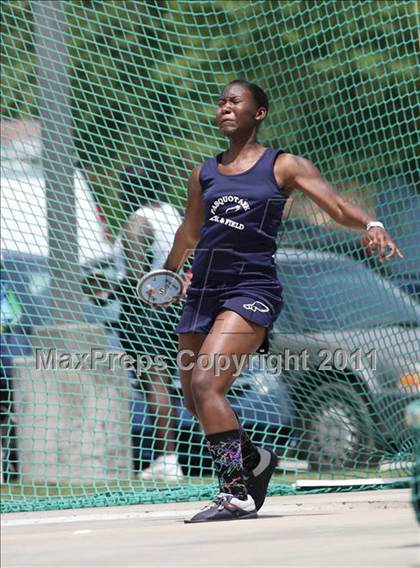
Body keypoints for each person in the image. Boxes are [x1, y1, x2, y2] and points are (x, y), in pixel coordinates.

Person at [159, 78, 403, 523]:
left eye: (236, 101)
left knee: (207, 385)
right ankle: (255, 461)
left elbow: (335, 206)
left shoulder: (283, 165)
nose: (225, 107)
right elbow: (190, 233)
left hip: (251, 288)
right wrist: (166, 274)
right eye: (221, 102)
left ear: (259, 113)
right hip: (204, 290)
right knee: (195, 401)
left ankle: (237, 493)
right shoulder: (204, 172)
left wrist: (371, 221)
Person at [113, 166, 185, 482]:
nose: (117, 194)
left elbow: (136, 277)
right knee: (167, 382)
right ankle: (169, 458)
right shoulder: (175, 215)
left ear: (131, 190)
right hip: (175, 308)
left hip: (145, 313)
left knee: (155, 381)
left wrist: (105, 288)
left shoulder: (137, 222)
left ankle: (168, 458)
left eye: (121, 187)